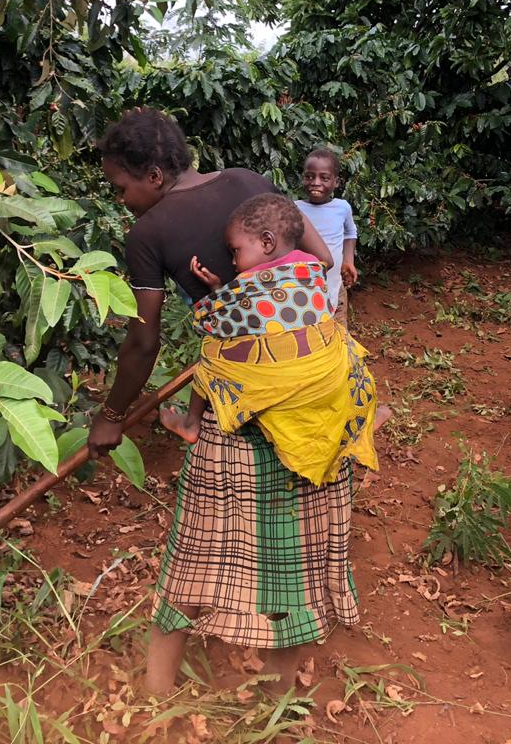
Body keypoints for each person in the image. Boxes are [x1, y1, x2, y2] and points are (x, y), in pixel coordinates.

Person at [89, 109, 346, 696]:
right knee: (289, 539)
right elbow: (321, 263)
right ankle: (282, 687)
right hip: (310, 397)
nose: (122, 199)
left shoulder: (148, 235)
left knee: (199, 543)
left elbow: (144, 339)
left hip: (239, 415)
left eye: (121, 187)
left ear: (153, 174)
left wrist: (109, 418)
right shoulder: (250, 182)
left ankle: (158, 686)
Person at [159, 194, 382, 481]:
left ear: (266, 242)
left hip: (286, 378)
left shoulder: (249, 285)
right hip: (327, 375)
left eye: (235, 251)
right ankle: (363, 415)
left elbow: (215, 322)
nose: (233, 262)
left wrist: (219, 294)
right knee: (343, 344)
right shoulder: (311, 268)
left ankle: (190, 423)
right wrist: (224, 289)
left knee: (213, 353)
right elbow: (279, 312)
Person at [295, 147, 358, 324]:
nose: (315, 182)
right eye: (309, 176)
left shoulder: (342, 207)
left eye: (324, 178)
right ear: (303, 178)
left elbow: (350, 232)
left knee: (338, 329)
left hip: (335, 285)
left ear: (336, 182)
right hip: (305, 287)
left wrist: (348, 261)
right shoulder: (294, 208)